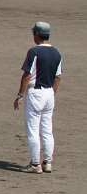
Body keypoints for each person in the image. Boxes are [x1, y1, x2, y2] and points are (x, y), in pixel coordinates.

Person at [14, 21, 62, 174]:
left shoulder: (34, 52)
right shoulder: (56, 53)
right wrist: (52, 93)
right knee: (47, 129)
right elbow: (57, 77)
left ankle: (35, 164)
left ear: (36, 34)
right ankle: (47, 162)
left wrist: (20, 95)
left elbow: (27, 76)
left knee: (33, 130)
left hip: (36, 93)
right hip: (49, 93)